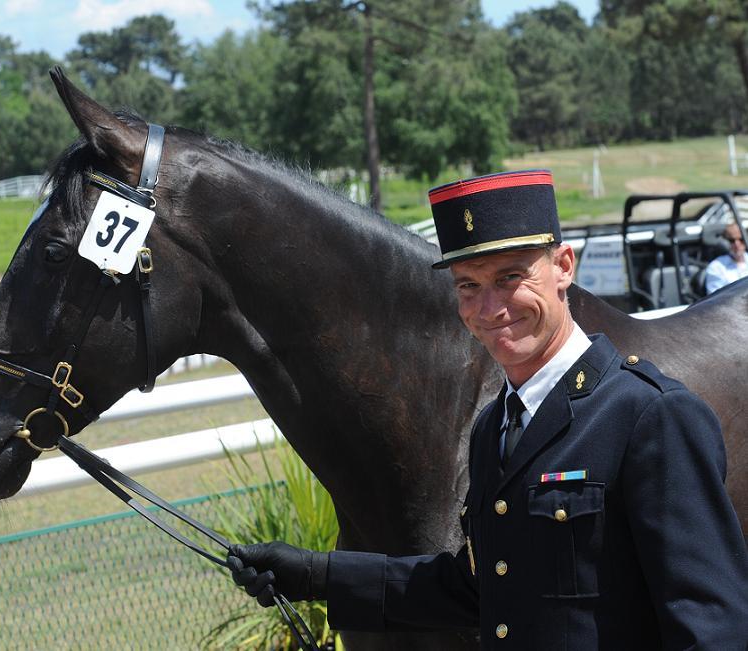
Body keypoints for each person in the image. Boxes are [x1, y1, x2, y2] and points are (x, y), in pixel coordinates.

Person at [226, 170, 748, 649]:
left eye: (510, 277)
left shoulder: (650, 416)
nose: (490, 309)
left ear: (563, 267)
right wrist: (314, 575)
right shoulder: (494, 428)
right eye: (468, 286)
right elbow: (482, 589)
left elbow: (711, 627)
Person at [705, 222, 748, 294]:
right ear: (725, 241)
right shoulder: (716, 267)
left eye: (741, 239)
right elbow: (716, 297)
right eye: (732, 241)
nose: (737, 244)